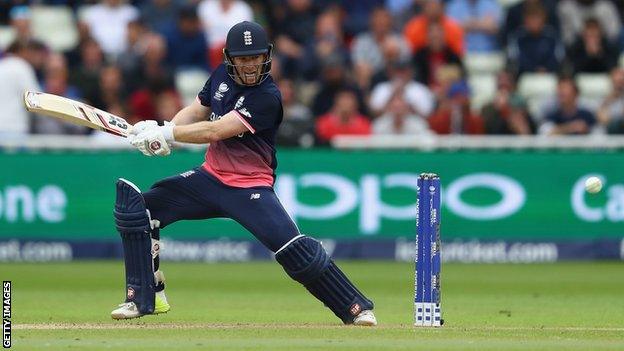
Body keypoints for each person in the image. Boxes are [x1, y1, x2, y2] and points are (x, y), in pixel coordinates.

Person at [110, 21, 377, 326]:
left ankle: (356, 307)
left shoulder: (267, 96)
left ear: (267, 57)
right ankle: (145, 298)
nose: (250, 65)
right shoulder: (221, 76)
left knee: (294, 252)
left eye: (256, 57)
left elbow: (217, 129)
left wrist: (168, 134)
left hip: (249, 188)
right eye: (243, 58)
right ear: (230, 58)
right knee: (140, 210)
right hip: (209, 179)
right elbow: (197, 111)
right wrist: (163, 128)